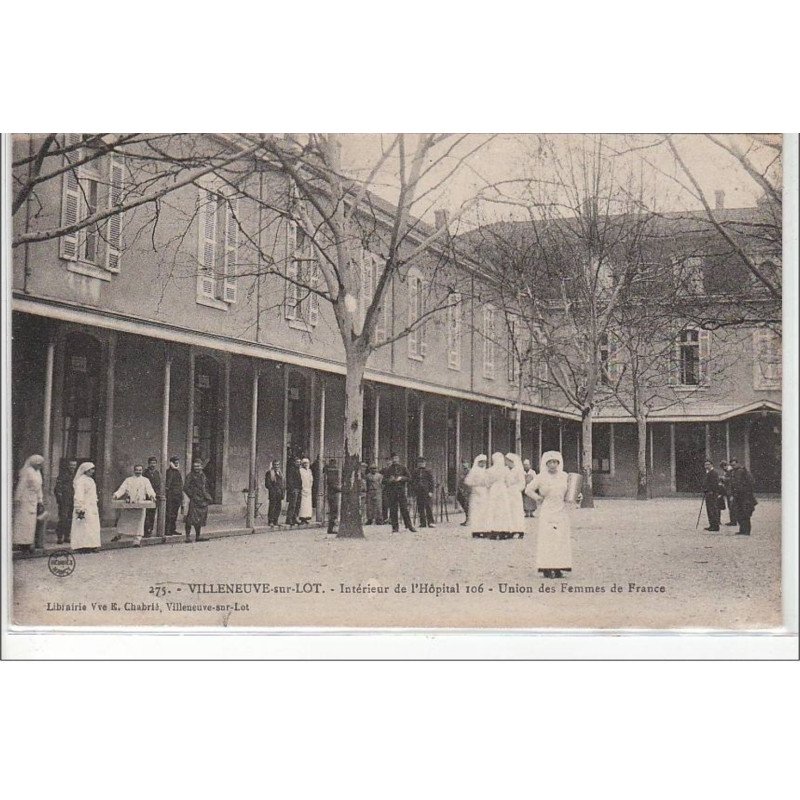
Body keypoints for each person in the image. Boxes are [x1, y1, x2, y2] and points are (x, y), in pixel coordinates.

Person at [525, 451, 579, 578]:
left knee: (560, 538)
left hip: (561, 510)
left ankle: (560, 566)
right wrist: (538, 498)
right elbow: (528, 489)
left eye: (555, 462)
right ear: (546, 464)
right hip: (547, 510)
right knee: (548, 538)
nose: (553, 465)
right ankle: (547, 567)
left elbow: (571, 492)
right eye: (550, 462)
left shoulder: (564, 476)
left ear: (559, 463)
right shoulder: (541, 477)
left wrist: (576, 496)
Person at [112, 464, 157, 546]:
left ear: (142, 471)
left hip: (140, 503)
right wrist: (116, 495)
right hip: (130, 502)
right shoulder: (128, 480)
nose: (138, 472)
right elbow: (122, 489)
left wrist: (152, 496)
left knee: (139, 522)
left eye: (140, 470)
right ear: (134, 470)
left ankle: (137, 540)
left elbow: (149, 489)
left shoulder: (145, 480)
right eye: (137, 470)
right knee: (124, 520)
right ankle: (118, 535)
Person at [13, 454, 45, 552]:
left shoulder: (38, 472)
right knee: (23, 521)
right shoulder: (27, 471)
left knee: (31, 523)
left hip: (33, 499)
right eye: (38, 464)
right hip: (25, 499)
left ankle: (28, 542)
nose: (40, 466)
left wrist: (40, 500)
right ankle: (20, 542)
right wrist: (17, 498)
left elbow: (39, 487)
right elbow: (21, 485)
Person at [71, 462, 101, 552]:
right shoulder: (81, 481)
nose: (93, 471)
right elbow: (79, 495)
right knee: (84, 527)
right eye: (91, 469)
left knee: (92, 526)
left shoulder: (91, 480)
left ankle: (92, 545)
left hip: (92, 506)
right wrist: (79, 507)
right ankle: (83, 546)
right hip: (84, 506)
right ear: (86, 470)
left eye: (93, 469)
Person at [383, 453, 416, 533]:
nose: (395, 460)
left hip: (401, 491)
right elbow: (384, 480)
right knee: (393, 510)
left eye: (396, 458)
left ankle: (409, 525)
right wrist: (390, 480)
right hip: (392, 492)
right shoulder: (388, 469)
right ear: (391, 459)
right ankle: (395, 527)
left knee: (404, 509)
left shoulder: (403, 468)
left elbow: (409, 478)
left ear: (398, 459)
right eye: (393, 458)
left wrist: (401, 478)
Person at [484, 452, 514, 539]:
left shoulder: (489, 470)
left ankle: (493, 529)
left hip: (494, 490)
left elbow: (487, 483)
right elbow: (509, 482)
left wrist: (491, 487)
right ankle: (504, 529)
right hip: (503, 489)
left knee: (493, 509)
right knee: (503, 509)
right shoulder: (506, 470)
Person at [183, 458, 212, 542]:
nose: (197, 468)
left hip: (203, 500)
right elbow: (185, 487)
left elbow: (206, 486)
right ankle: (187, 537)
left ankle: (198, 536)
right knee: (190, 518)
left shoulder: (203, 475)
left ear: (202, 466)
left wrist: (207, 496)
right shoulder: (190, 475)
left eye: (198, 466)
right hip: (194, 500)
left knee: (200, 519)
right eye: (195, 466)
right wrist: (192, 495)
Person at [730, 457, 757, 536]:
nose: (733, 466)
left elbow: (750, 483)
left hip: (745, 496)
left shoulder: (742, 471)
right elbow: (734, 484)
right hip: (738, 496)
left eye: (734, 465)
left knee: (745, 513)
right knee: (739, 513)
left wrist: (746, 491)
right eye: (732, 465)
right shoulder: (734, 472)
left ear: (737, 463)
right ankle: (742, 530)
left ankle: (746, 531)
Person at [54, 457, 78, 545]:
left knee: (70, 518)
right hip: (64, 500)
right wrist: (60, 499)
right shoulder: (63, 475)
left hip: (73, 499)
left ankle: (67, 536)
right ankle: (60, 537)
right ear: (68, 466)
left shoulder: (76, 475)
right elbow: (57, 488)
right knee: (63, 518)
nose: (73, 467)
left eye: (74, 465)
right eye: (71, 465)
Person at [464, 454, 489, 537]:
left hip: (484, 492)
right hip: (476, 492)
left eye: (485, 462)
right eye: (482, 462)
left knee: (483, 512)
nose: (483, 464)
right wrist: (476, 484)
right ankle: (476, 530)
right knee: (476, 512)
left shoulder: (485, 471)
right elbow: (467, 481)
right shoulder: (474, 471)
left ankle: (483, 530)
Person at [505, 453, 527, 538]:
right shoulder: (505, 470)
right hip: (507, 493)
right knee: (509, 511)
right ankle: (510, 529)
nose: (506, 462)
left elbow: (522, 483)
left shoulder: (518, 470)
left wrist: (515, 489)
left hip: (515, 494)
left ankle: (519, 530)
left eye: (508, 460)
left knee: (516, 512)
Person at [412, 456, 436, 528]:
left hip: (426, 492)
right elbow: (413, 481)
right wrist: (415, 488)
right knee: (420, 507)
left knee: (428, 507)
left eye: (422, 462)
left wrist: (431, 491)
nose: (421, 464)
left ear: (425, 463)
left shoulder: (428, 471)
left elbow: (432, 482)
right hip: (419, 492)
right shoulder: (415, 471)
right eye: (420, 462)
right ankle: (422, 523)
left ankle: (431, 522)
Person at [701, 459, 724, 532]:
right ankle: (712, 525)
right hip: (708, 493)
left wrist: (710, 491)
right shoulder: (708, 472)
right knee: (709, 509)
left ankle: (715, 526)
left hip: (712, 493)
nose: (706, 466)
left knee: (713, 509)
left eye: (708, 464)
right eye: (705, 465)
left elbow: (714, 484)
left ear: (711, 465)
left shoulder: (713, 473)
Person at [164, 456, 184, 536]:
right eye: (175, 462)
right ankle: (167, 530)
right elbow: (167, 485)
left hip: (177, 496)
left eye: (177, 462)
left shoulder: (177, 472)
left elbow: (180, 485)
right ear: (171, 463)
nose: (176, 464)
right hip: (171, 496)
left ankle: (173, 529)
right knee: (169, 513)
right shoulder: (169, 472)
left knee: (175, 513)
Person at [143, 456, 162, 538]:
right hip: (146, 496)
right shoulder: (145, 473)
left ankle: (150, 529)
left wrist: (157, 494)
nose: (153, 465)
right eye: (151, 463)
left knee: (152, 514)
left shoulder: (157, 473)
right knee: (146, 514)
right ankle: (145, 530)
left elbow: (159, 485)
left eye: (154, 463)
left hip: (155, 496)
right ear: (148, 464)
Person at [264, 460, 285, 526]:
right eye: (275, 465)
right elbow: (267, 484)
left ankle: (276, 520)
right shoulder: (269, 473)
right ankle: (270, 521)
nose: (276, 466)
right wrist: (272, 490)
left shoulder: (280, 473)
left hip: (279, 493)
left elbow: (282, 483)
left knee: (278, 507)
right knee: (272, 507)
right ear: (273, 465)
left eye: (278, 465)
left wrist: (282, 492)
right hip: (273, 493)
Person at [324, 458, 341, 534]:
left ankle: (331, 528)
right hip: (332, 494)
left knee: (333, 511)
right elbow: (333, 485)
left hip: (332, 493)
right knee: (333, 511)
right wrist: (340, 489)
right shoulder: (332, 475)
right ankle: (331, 528)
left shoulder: (329, 473)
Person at [285, 457, 302, 525]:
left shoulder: (298, 469)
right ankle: (289, 519)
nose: (298, 463)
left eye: (299, 462)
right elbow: (290, 480)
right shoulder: (291, 469)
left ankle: (294, 518)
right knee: (292, 505)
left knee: (297, 505)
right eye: (297, 462)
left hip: (298, 489)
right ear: (294, 462)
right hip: (294, 489)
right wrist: (292, 489)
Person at [721, 460, 738, 527]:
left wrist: (724, 479)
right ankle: (732, 520)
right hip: (728, 491)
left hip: (731, 491)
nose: (724, 468)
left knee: (732, 506)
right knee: (730, 506)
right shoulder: (727, 471)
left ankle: (734, 521)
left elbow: (731, 480)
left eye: (724, 466)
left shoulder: (730, 471)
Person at [298, 457, 314, 523]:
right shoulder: (300, 470)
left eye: (307, 463)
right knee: (303, 504)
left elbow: (311, 479)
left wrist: (310, 486)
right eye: (304, 463)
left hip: (308, 488)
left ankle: (306, 517)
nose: (306, 464)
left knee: (307, 504)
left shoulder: (309, 471)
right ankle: (302, 518)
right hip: (303, 488)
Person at [456, 460, 471, 526]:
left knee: (467, 505)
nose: (464, 467)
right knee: (464, 504)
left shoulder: (470, 473)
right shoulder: (461, 473)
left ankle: (468, 520)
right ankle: (467, 519)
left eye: (465, 466)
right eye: (463, 466)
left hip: (468, 491)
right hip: (461, 491)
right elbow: (459, 481)